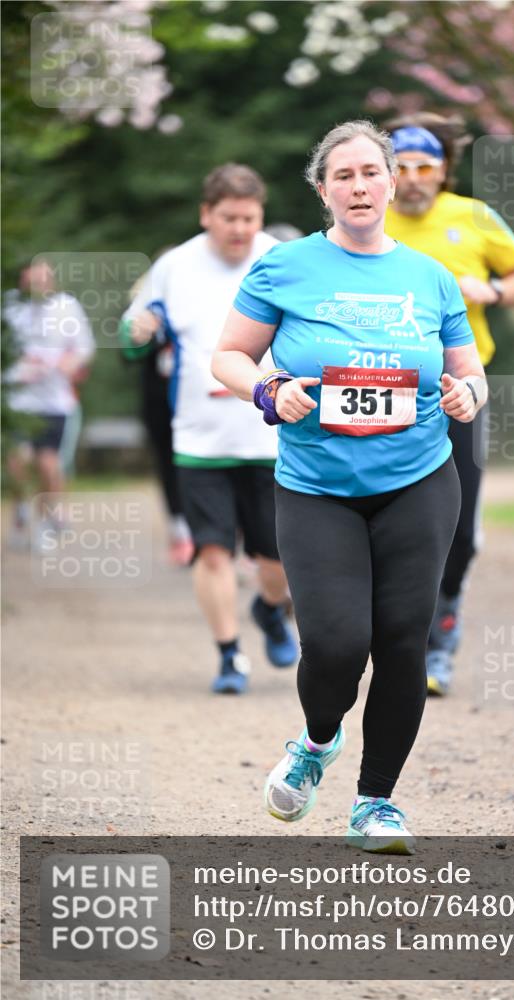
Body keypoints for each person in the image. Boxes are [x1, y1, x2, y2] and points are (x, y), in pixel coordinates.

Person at [211, 120, 487, 853]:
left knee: (402, 640)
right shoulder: (284, 268)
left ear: (393, 182)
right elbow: (229, 358)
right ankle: (317, 740)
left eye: (371, 172)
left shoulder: (428, 276)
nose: (359, 186)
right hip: (316, 484)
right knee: (336, 643)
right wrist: (268, 391)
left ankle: (375, 804)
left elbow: (467, 369)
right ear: (323, 190)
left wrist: (468, 395)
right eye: (344, 176)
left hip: (419, 479)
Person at [119, 164, 298, 694]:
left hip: (271, 436)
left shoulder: (283, 260)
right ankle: (228, 655)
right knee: (212, 550)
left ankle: (270, 609)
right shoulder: (173, 267)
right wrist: (139, 332)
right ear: (206, 215)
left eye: (249, 217)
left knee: (278, 558)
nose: (240, 228)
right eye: (228, 218)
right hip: (199, 438)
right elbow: (132, 341)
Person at [384, 113, 514, 696]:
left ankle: (440, 636)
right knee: (383, 518)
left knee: (459, 530)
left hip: (460, 394)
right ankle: (385, 635)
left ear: (444, 169)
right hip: (381, 393)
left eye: (425, 167)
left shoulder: (473, 218)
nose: (414, 178)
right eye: (401, 167)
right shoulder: (365, 220)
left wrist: (493, 290)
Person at [4, 259, 96, 549]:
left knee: (47, 464)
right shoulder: (9, 307)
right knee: (17, 460)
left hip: (54, 402)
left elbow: (84, 348)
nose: (40, 285)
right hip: (17, 400)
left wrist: (66, 365)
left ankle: (46, 521)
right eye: (34, 280)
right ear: (23, 279)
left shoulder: (67, 307)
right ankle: (20, 509)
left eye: (45, 279)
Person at [123, 252, 193, 567]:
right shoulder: (145, 304)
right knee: (168, 463)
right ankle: (179, 528)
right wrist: (143, 335)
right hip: (159, 401)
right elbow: (127, 354)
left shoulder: (203, 299)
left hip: (198, 401)